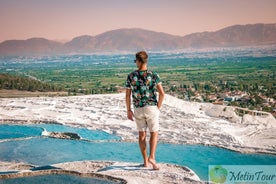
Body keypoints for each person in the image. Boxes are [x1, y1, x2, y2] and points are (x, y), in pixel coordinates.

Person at [125, 51, 165, 170]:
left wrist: (128, 110)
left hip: (138, 108)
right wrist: (157, 107)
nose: (135, 63)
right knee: (154, 132)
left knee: (142, 134)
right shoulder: (154, 75)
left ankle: (145, 162)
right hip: (151, 107)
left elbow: (127, 95)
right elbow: (162, 94)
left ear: (139, 61)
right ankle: (152, 157)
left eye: (135, 61)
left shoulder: (131, 76)